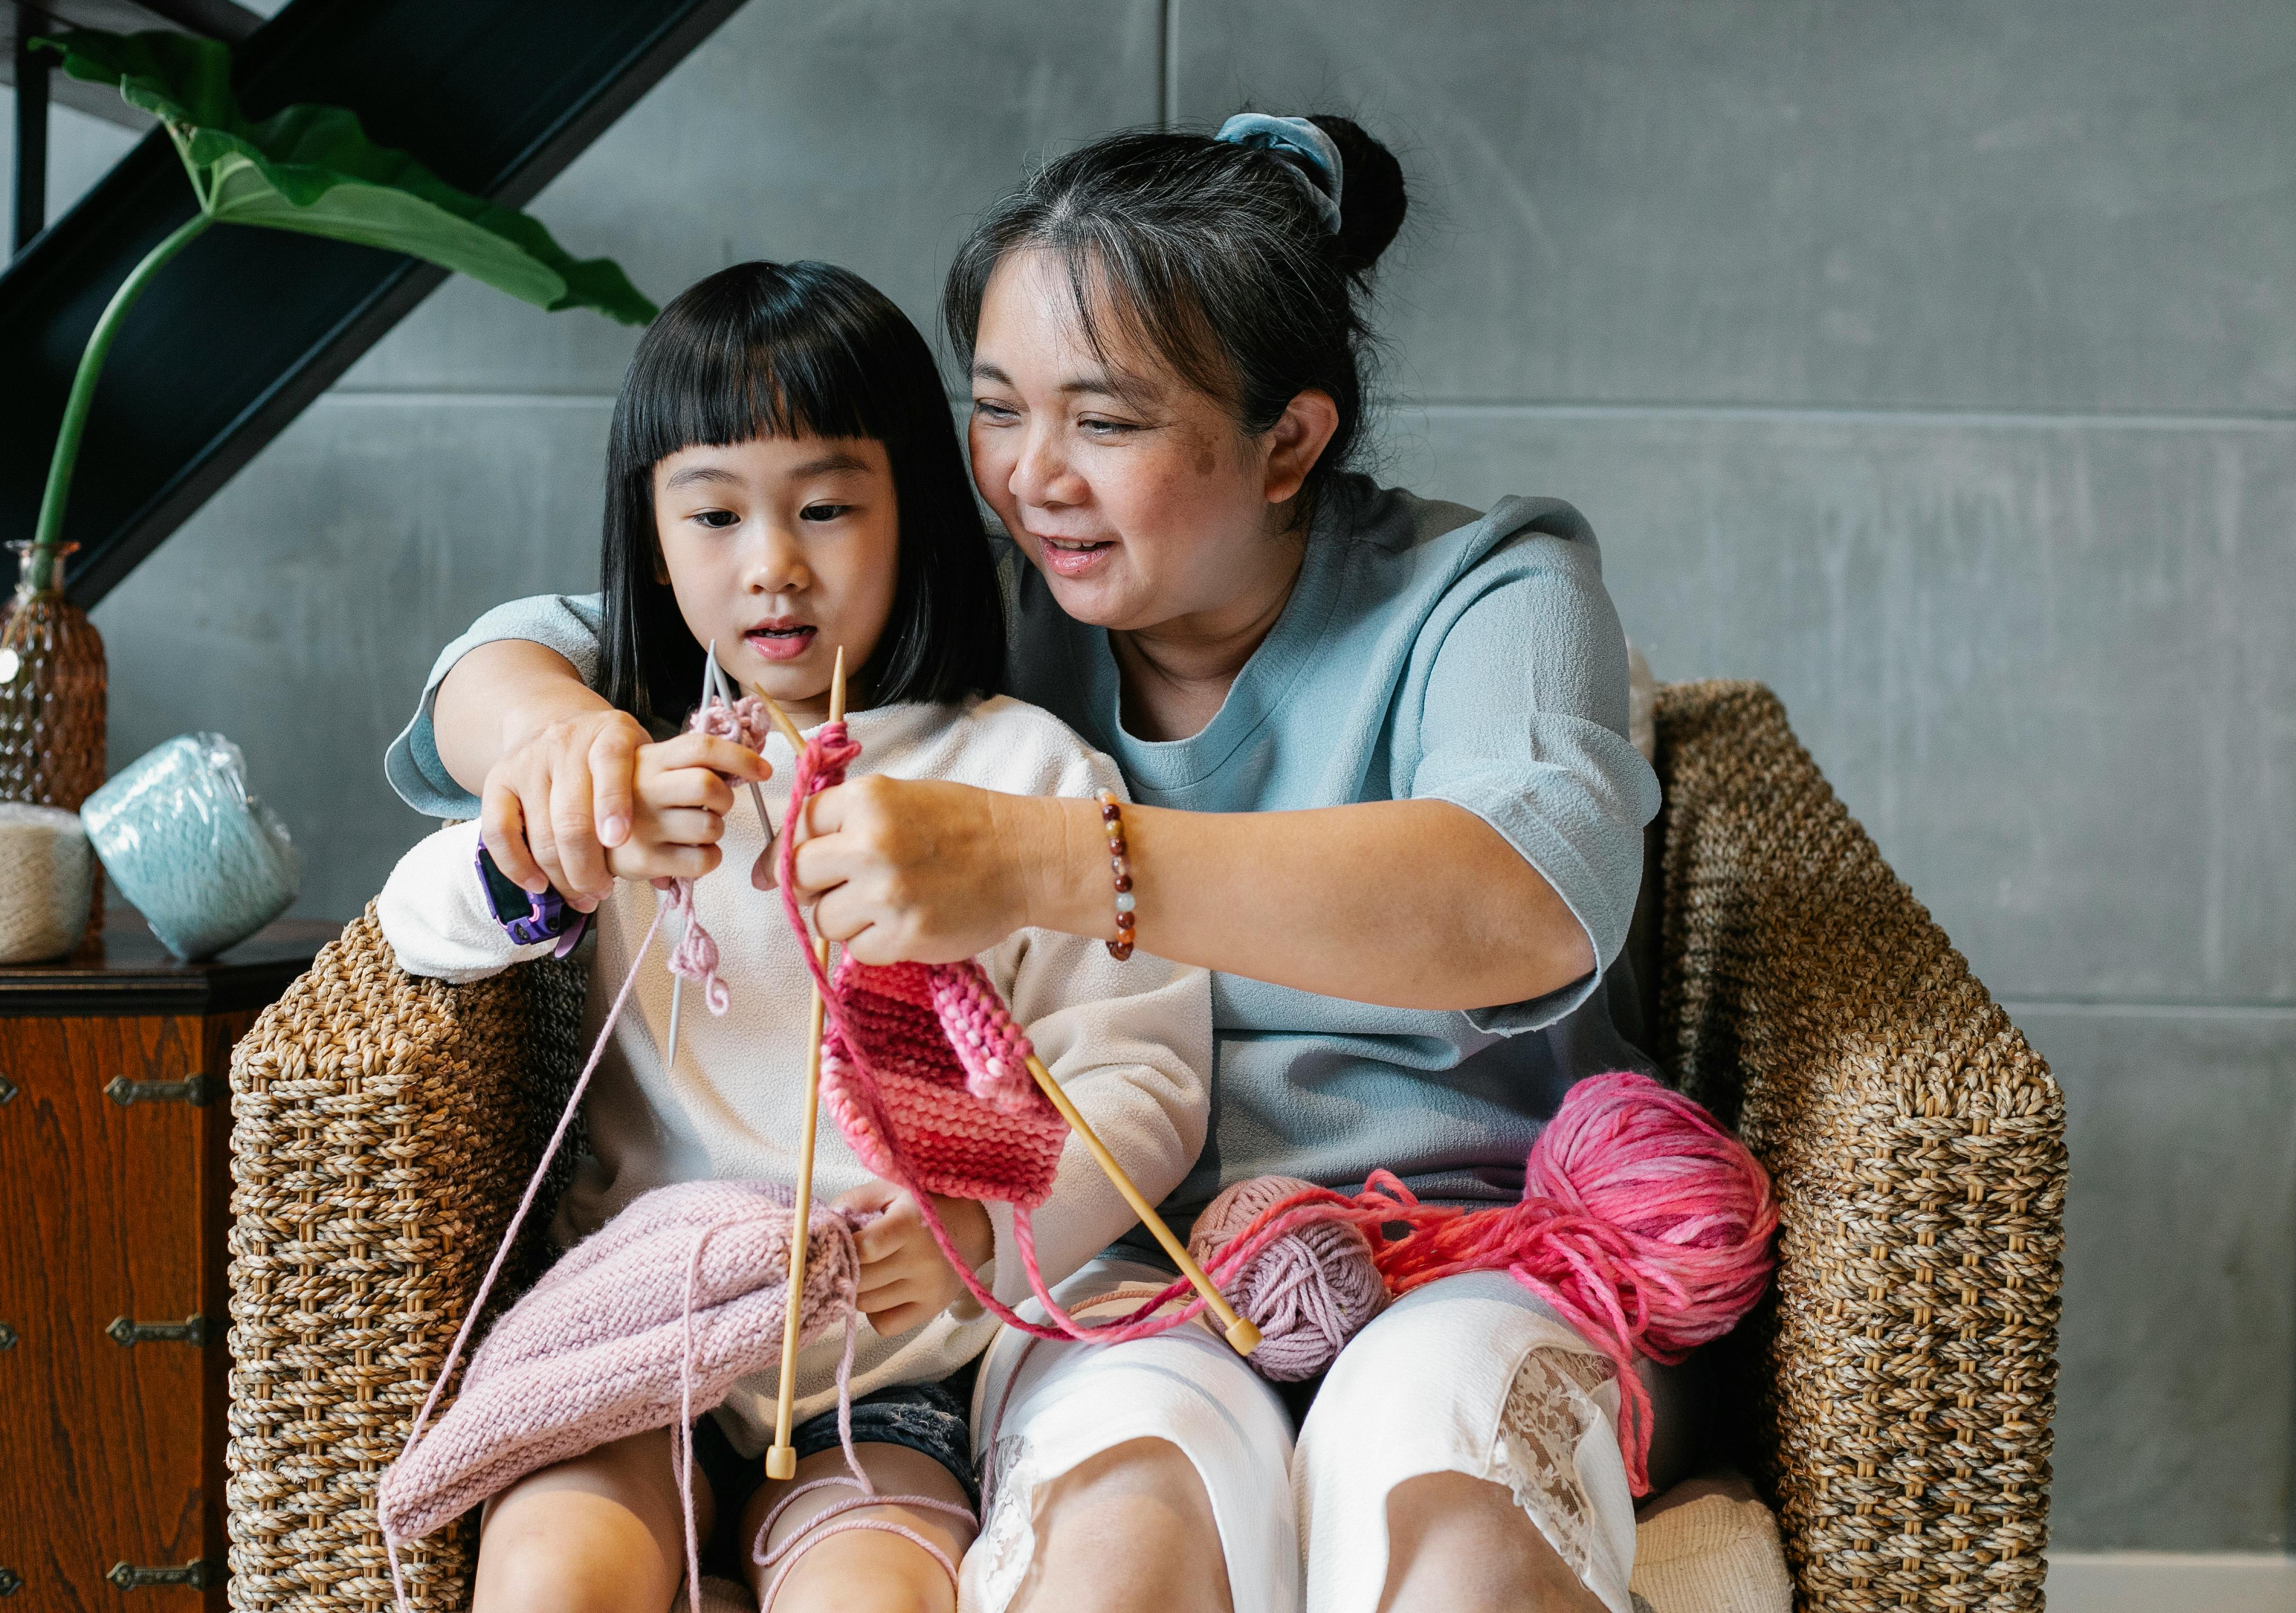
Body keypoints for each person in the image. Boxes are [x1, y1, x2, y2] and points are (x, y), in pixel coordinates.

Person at [392, 116, 1682, 1613]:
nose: (1033, 479)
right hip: (1097, 1294)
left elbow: (1524, 896)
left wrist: (1052, 861)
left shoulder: (1492, 592)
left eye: (1108, 422)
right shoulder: (982, 586)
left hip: (1445, 1251)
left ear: (1290, 441)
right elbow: (596, 627)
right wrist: (559, 737)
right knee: (1114, 1556)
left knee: (1456, 1544)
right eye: (997, 411)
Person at [376, 259, 1211, 1613]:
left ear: (914, 516)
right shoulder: (635, 759)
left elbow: (1143, 1078)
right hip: (640, 1333)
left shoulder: (1019, 778)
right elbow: (421, 933)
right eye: (711, 514)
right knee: (549, 1581)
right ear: (650, 540)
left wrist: (977, 1221)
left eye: (826, 507)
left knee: (869, 1597)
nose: (771, 565)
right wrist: (562, 837)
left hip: (881, 1369)